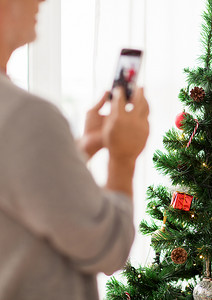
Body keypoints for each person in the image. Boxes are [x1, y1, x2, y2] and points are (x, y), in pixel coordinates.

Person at [0, 0, 150, 299]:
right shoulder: (25, 116)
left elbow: (19, 187)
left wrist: (83, 147)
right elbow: (110, 247)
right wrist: (123, 158)